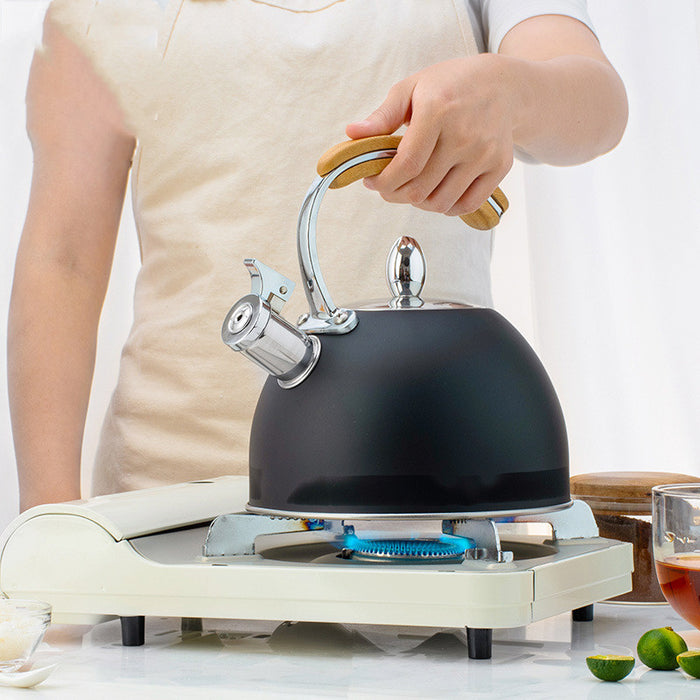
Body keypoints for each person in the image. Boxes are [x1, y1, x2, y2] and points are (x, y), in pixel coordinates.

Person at [8, 0, 627, 511]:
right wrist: (48, 522)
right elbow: (63, 258)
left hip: (431, 498)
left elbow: (597, 104)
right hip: (165, 506)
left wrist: (512, 91)